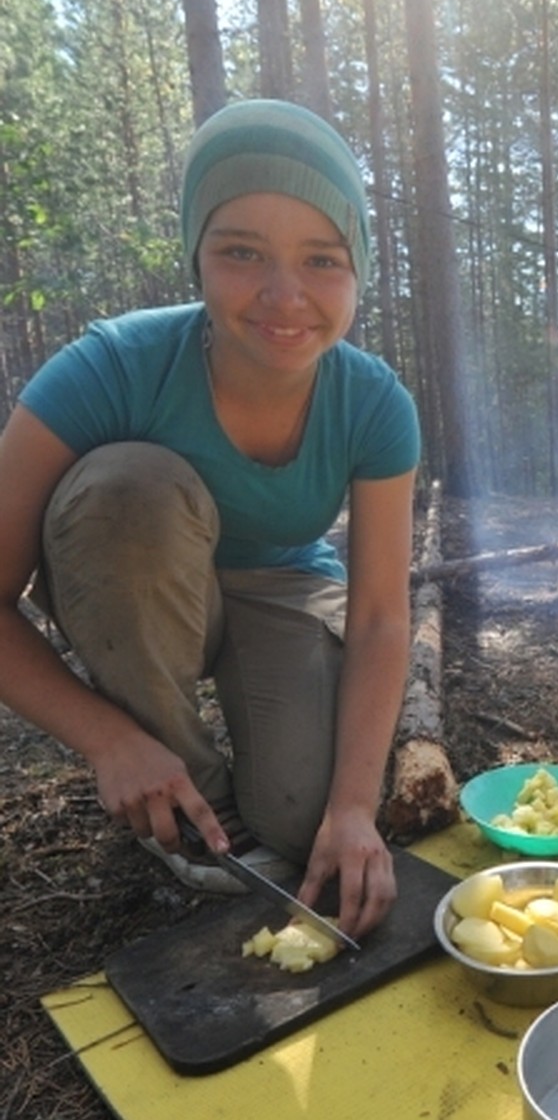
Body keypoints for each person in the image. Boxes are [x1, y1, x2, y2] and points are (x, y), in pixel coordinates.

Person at [0, 99, 419, 939]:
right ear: (196, 255)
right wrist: (107, 740)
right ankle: (182, 793)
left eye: (322, 260)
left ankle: (275, 802)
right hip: (139, 584)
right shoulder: (109, 369)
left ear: (358, 274)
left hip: (282, 587)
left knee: (308, 829)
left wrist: (353, 805)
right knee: (128, 490)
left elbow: (376, 616)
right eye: (242, 252)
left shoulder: (373, 404)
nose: (284, 295)